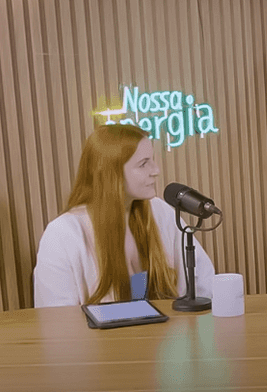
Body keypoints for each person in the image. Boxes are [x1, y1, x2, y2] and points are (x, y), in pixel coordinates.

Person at [34, 123, 214, 308]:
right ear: (111, 173)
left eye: (152, 160)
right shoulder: (62, 234)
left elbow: (204, 283)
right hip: (98, 338)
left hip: (167, 334)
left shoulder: (161, 212)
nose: (156, 170)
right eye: (143, 164)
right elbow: (56, 320)